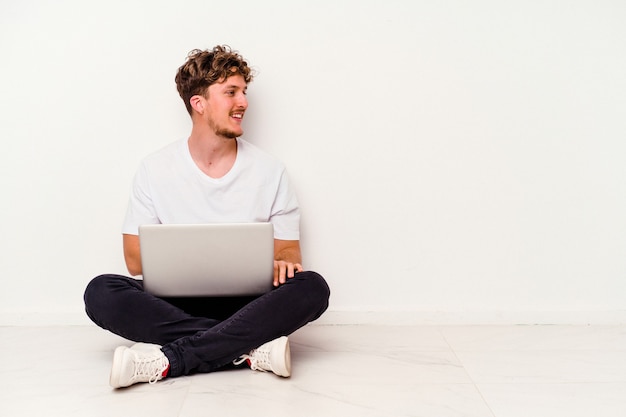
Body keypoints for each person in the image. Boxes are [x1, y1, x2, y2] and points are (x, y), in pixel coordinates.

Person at [83, 45, 330, 389]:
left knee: (312, 288)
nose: (243, 102)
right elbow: (134, 260)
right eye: (231, 92)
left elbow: (290, 253)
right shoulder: (154, 169)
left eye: (244, 92)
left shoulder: (270, 171)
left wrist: (283, 262)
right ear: (198, 103)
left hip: (248, 303)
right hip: (174, 302)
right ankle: (248, 349)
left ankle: (170, 359)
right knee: (101, 291)